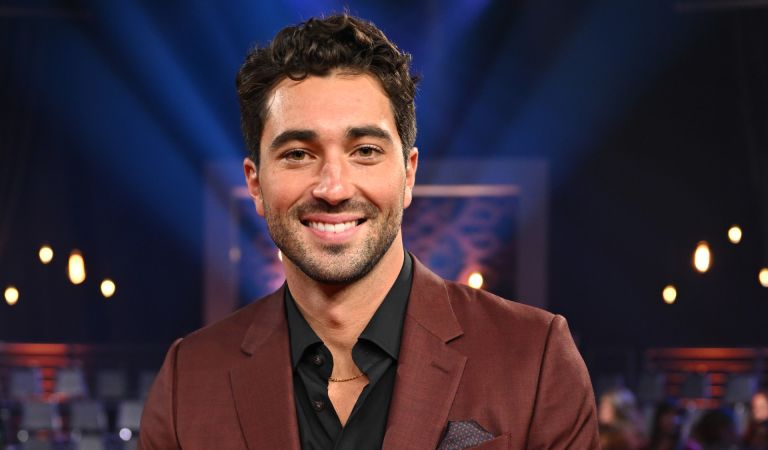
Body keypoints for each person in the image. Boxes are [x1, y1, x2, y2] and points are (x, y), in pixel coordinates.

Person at [139, 13, 598, 450]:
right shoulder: (188, 381)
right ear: (255, 184)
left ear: (408, 173)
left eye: (365, 151)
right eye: (298, 154)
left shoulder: (533, 357)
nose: (333, 188)